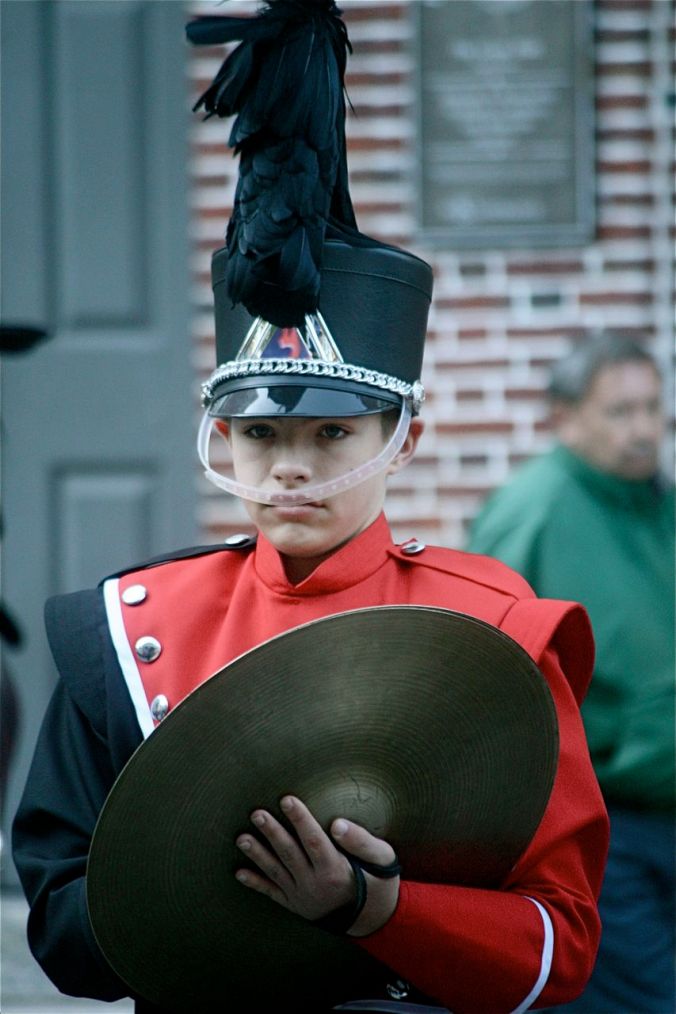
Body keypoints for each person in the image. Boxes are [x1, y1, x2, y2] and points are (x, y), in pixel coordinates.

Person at [12, 3, 608, 1012]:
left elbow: (559, 947)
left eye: (331, 434)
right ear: (223, 436)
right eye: (259, 434)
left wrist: (377, 910)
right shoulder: (124, 632)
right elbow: (63, 923)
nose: (288, 467)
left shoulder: (495, 625)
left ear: (401, 439)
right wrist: (228, 894)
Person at [468, 333, 675, 1013]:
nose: (644, 429)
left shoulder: (656, 501)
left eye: (653, 408)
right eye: (620, 412)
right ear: (563, 417)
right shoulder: (533, 514)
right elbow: (490, 678)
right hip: (607, 830)